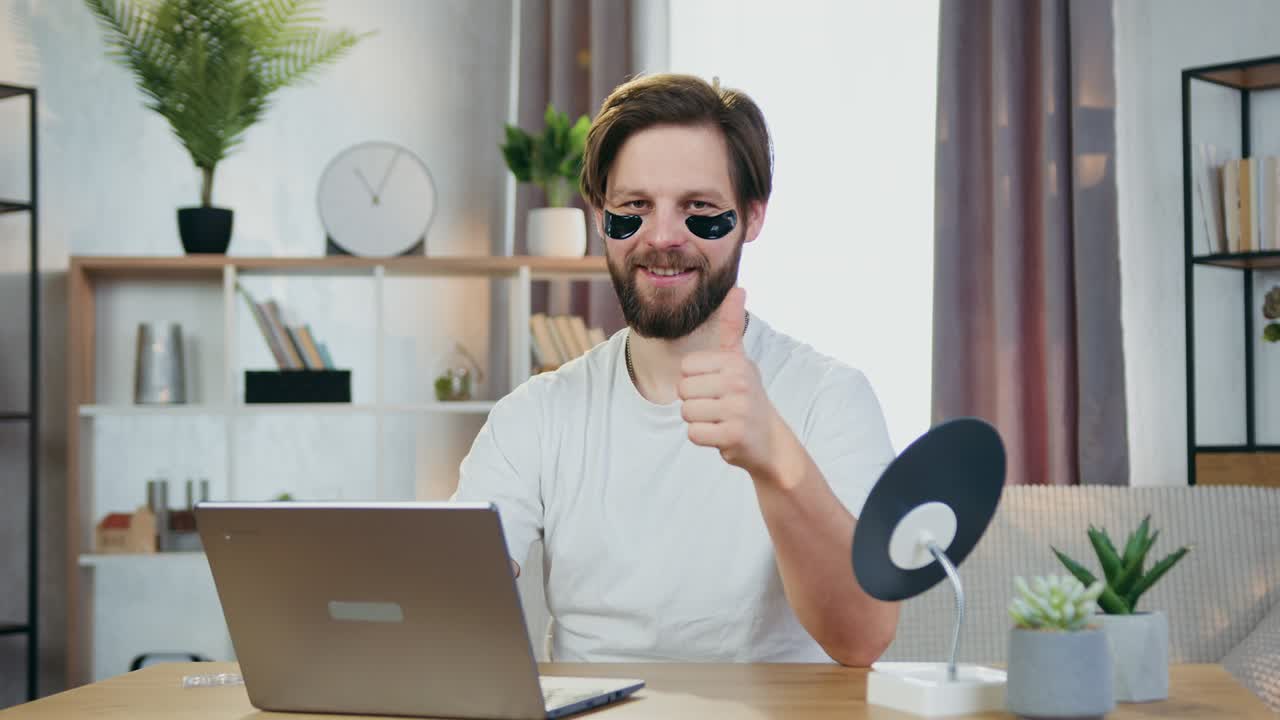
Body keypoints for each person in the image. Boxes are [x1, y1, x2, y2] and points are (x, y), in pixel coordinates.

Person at [452, 73, 899, 666]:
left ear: (753, 216)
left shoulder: (830, 398)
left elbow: (863, 638)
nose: (661, 237)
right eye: (633, 209)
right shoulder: (536, 416)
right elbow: (451, 606)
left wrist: (778, 461)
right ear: (599, 215)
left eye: (700, 210)